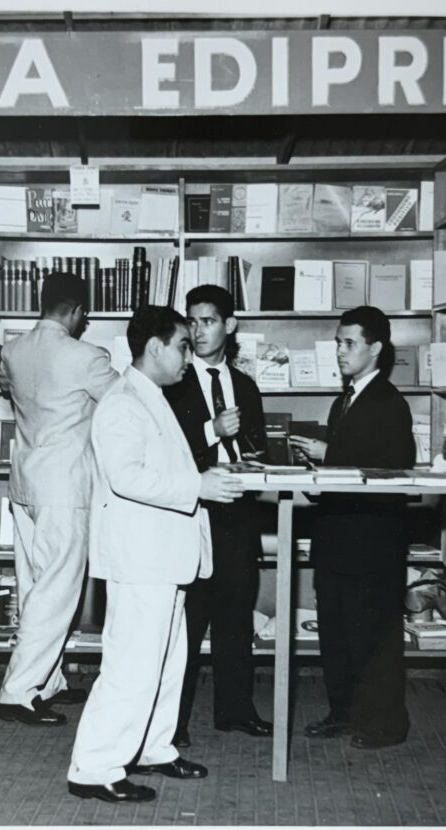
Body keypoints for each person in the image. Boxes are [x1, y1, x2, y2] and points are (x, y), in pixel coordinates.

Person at [67, 306, 245, 804]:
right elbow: (127, 477)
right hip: (140, 560)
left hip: (163, 558)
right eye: (183, 345)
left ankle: (152, 748)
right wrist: (198, 486)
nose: (190, 355)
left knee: (167, 662)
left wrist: (203, 480)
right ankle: (94, 767)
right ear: (154, 347)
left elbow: (163, 466)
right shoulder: (123, 403)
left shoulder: (153, 397)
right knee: (131, 666)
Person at [289, 306, 415, 750]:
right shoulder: (345, 399)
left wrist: (329, 455)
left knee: (373, 637)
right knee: (338, 635)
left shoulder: (389, 403)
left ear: (375, 348)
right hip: (338, 539)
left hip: (371, 543)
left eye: (349, 343)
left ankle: (386, 725)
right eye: (338, 343)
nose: (340, 351)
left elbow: (392, 469)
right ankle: (344, 713)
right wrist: (318, 470)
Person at [0, 272, 118, 726]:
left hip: (24, 481)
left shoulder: (12, 349)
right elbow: (127, 402)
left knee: (34, 587)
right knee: (57, 592)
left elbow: (9, 389)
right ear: (79, 312)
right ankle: (18, 692)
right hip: (65, 487)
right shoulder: (87, 356)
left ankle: (48, 682)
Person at [163, 285, 272, 748]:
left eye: (207, 321)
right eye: (191, 322)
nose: (198, 331)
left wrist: (258, 459)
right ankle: (173, 723)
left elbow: (259, 445)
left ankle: (235, 710)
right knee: (187, 624)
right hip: (193, 512)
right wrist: (213, 430)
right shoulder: (175, 381)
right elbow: (166, 451)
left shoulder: (245, 386)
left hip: (239, 515)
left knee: (236, 618)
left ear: (230, 325)